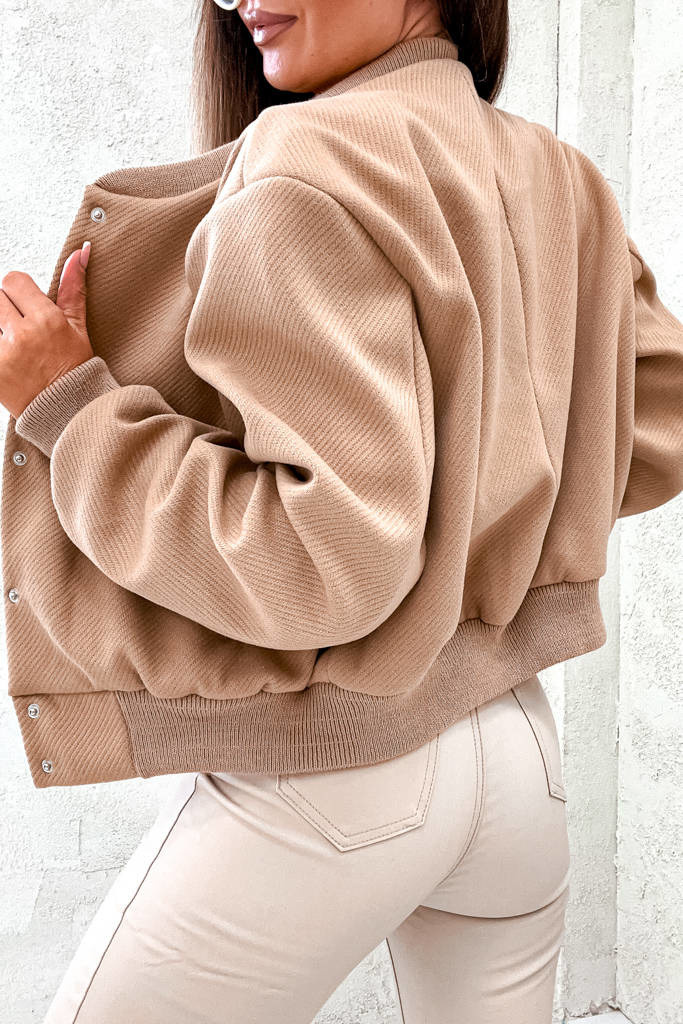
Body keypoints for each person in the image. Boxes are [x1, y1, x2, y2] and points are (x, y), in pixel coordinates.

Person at [1, 0, 681, 1021]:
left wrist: (72, 407)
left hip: (342, 776)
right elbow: (655, 423)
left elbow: (318, 565)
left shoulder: (306, 164)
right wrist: (484, 499)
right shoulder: (553, 170)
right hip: (516, 749)